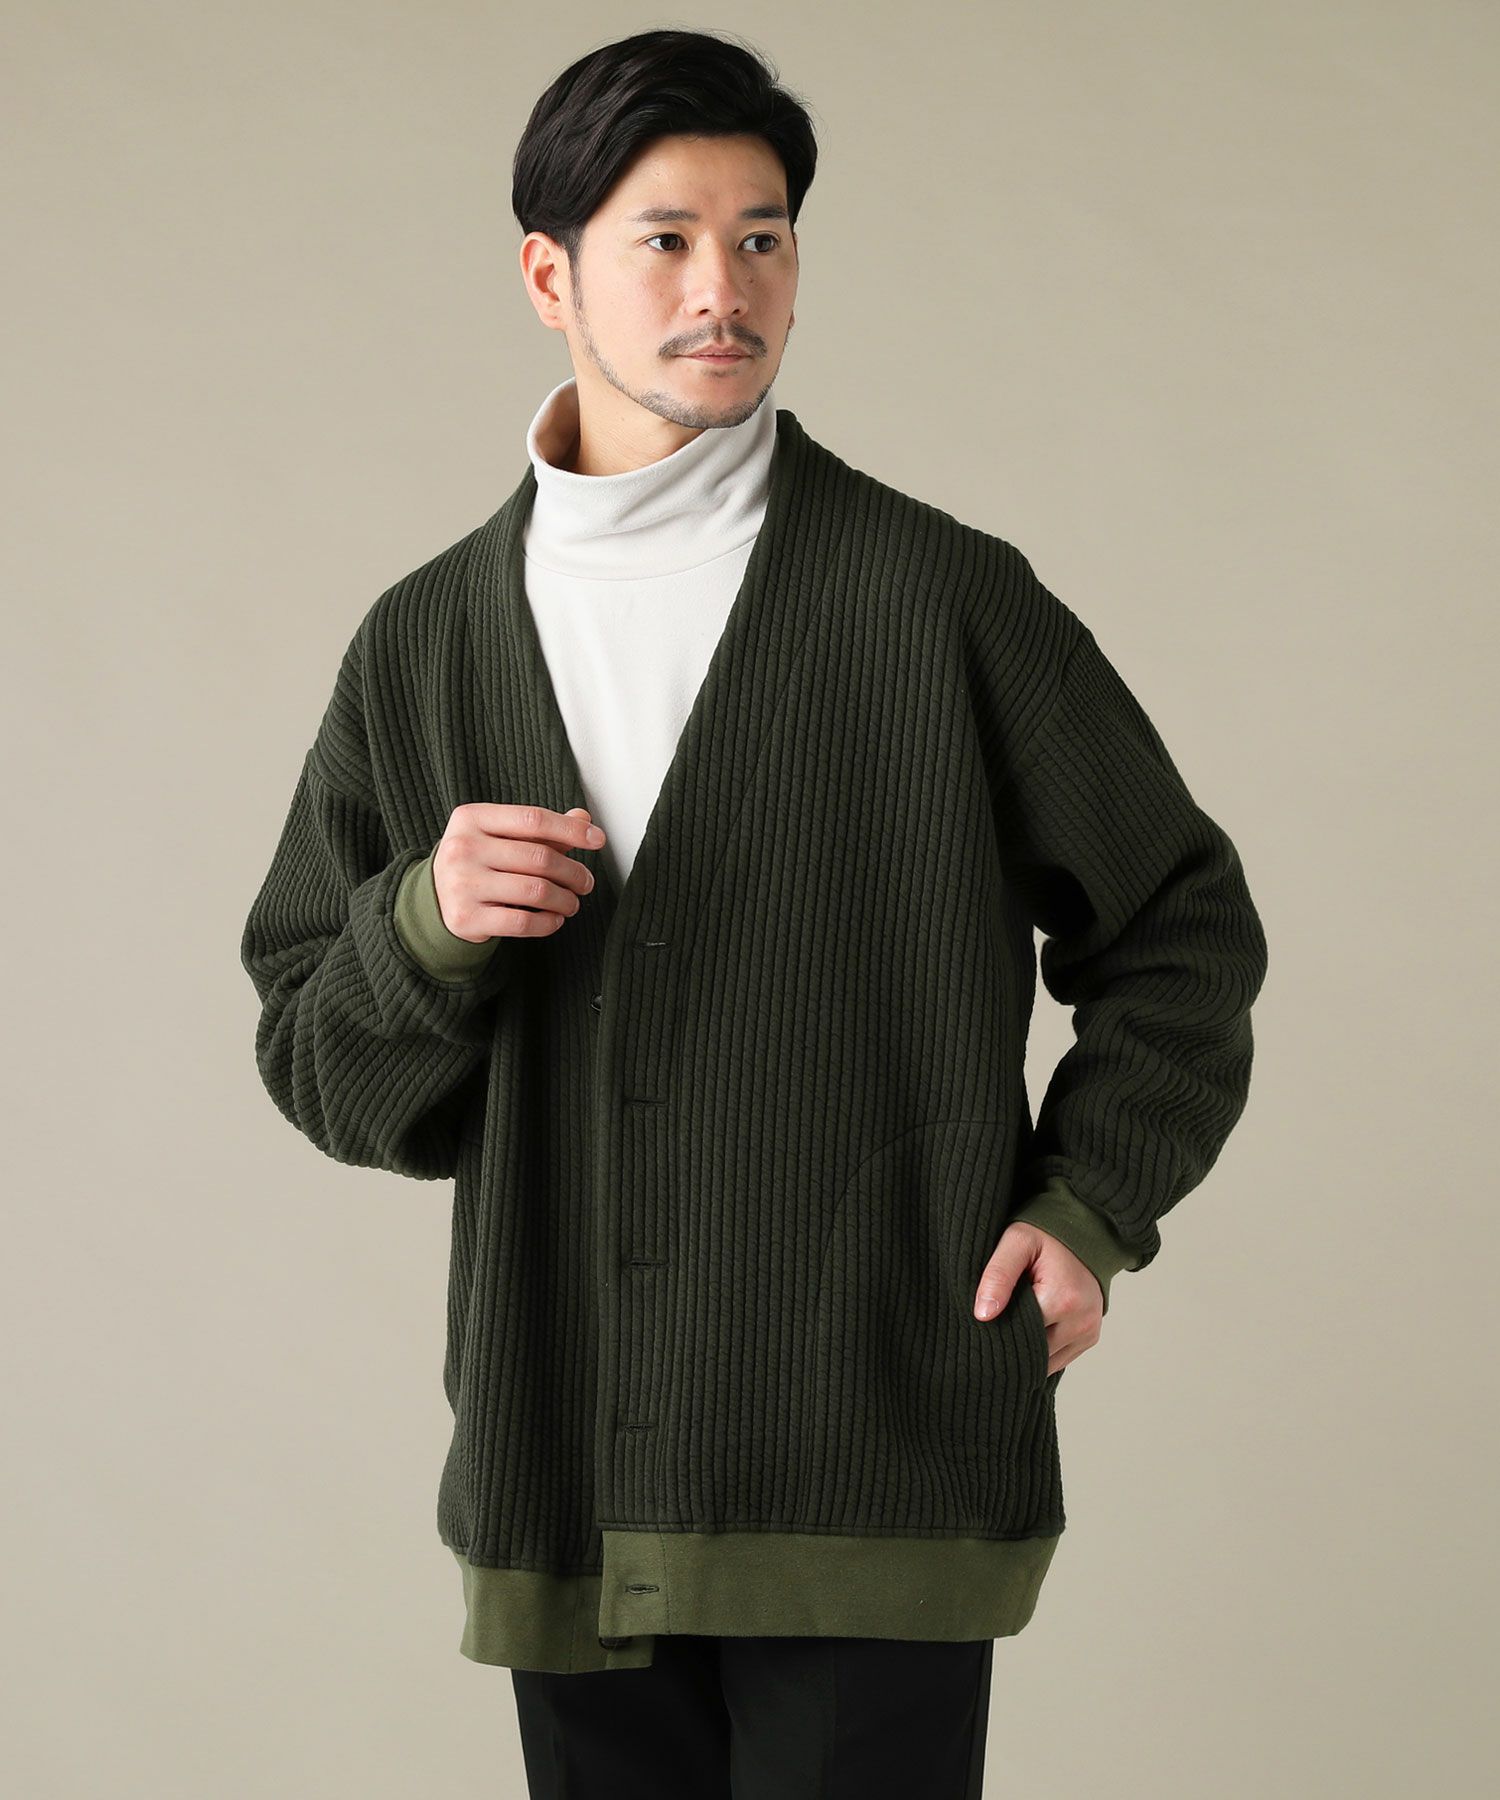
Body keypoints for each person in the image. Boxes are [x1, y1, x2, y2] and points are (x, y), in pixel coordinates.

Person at [240, 26, 1268, 1799]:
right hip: (566, 1483)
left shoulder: (940, 600)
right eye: (666, 239)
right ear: (549, 276)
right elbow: (323, 1073)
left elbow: (1181, 925)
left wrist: (1090, 1204)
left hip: (877, 1461)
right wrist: (421, 928)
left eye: (764, 237)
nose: (725, 287)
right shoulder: (422, 646)